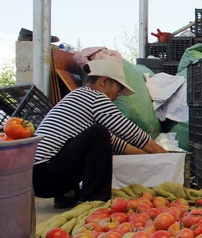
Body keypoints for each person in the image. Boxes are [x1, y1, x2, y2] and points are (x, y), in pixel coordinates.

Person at [33, 58, 167, 208]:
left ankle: (67, 196)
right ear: (104, 82)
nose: (117, 96)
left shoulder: (80, 97)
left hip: (40, 177)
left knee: (98, 135)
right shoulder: (95, 97)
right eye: (118, 89)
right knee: (98, 133)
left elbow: (119, 144)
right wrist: (164, 156)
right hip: (44, 174)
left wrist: (155, 156)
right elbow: (132, 134)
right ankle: (93, 201)